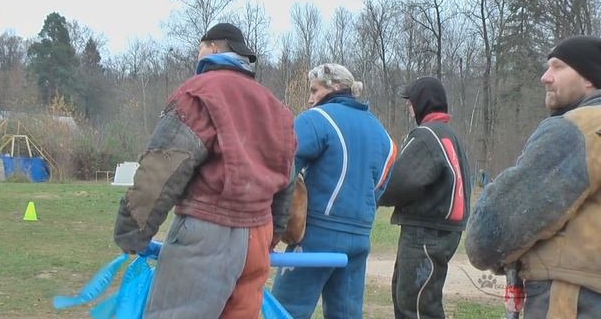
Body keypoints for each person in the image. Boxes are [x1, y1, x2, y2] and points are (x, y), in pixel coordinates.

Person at [113, 23, 297, 319]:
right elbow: (286, 181)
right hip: (257, 238)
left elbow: (163, 165)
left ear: (213, 48)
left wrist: (132, 229)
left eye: (200, 47)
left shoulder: (199, 93)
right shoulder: (277, 109)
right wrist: (271, 238)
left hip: (208, 236)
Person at [465, 35, 601, 318]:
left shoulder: (579, 128)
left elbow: (495, 226)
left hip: (571, 301)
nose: (545, 77)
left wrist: (491, 247)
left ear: (590, 77)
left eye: (558, 66)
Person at [271, 63, 397, 319]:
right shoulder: (383, 135)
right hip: (359, 239)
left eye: (314, 90)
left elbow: (282, 166)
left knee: (286, 311)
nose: (310, 99)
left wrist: (275, 224)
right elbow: (381, 185)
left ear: (334, 87)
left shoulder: (318, 118)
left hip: (316, 237)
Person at [378, 76, 471, 319]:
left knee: (416, 304)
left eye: (411, 102)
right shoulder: (447, 134)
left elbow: (401, 181)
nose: (409, 109)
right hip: (443, 229)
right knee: (411, 297)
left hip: (426, 231)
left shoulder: (426, 136)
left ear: (422, 103)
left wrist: (373, 194)